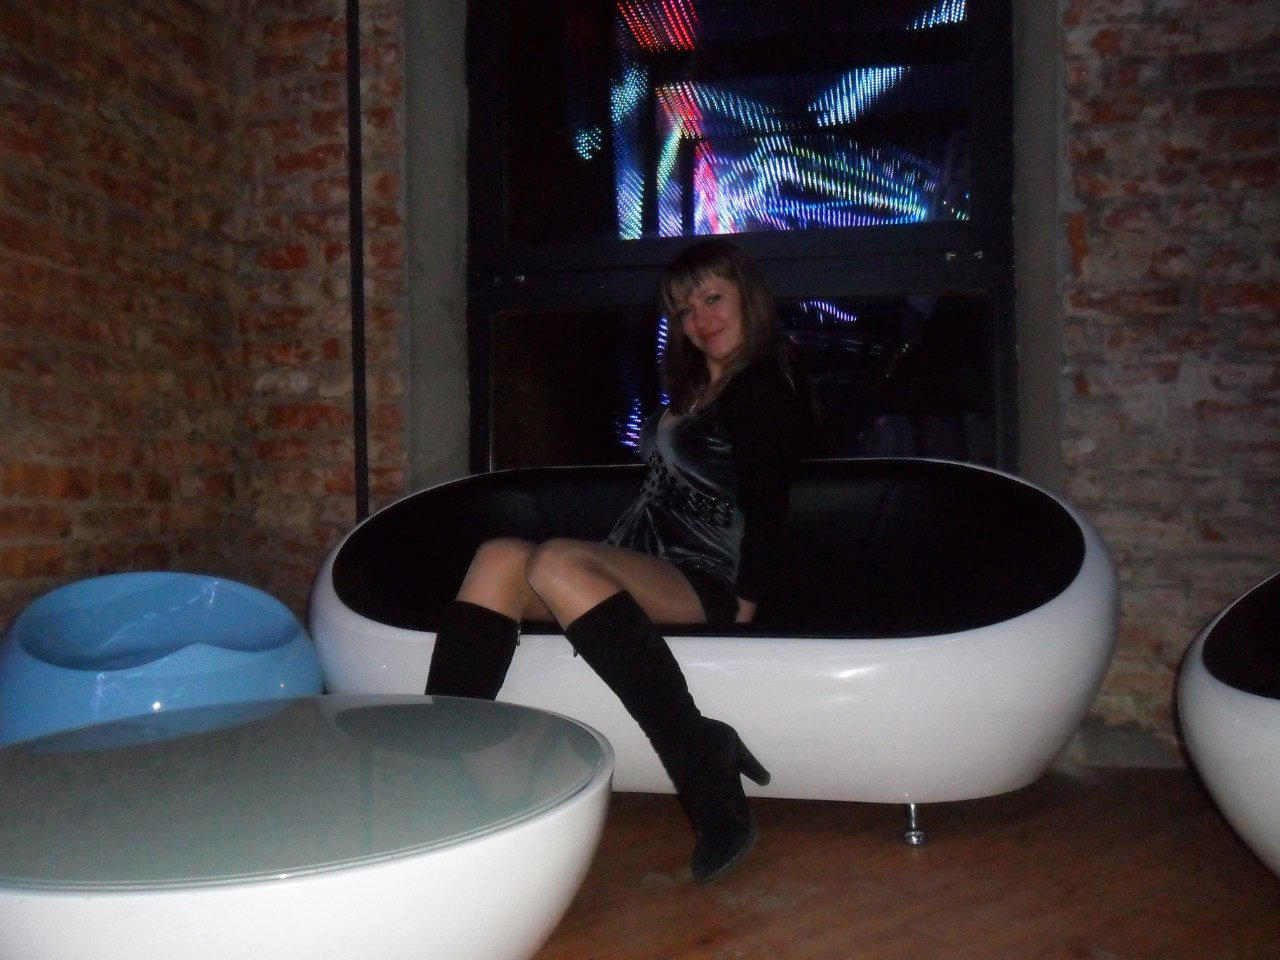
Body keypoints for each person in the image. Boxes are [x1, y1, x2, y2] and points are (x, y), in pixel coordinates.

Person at [424, 238, 819, 883]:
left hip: (706, 576)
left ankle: (707, 777)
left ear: (747, 296)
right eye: (685, 309)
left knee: (555, 561)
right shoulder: (697, 389)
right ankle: (445, 767)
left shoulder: (762, 387)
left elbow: (769, 510)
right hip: (650, 558)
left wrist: (745, 609)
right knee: (498, 556)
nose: (701, 319)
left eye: (713, 298)